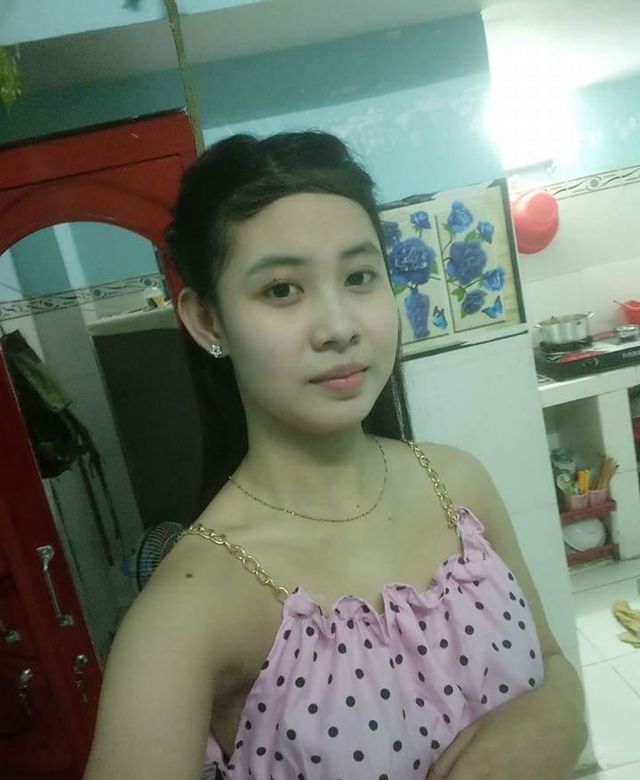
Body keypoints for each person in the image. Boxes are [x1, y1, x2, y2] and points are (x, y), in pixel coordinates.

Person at [82, 131, 588, 780]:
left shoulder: (457, 483)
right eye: (282, 290)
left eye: (358, 277)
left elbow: (553, 663)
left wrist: (552, 719)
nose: (340, 326)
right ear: (208, 321)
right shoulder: (188, 609)